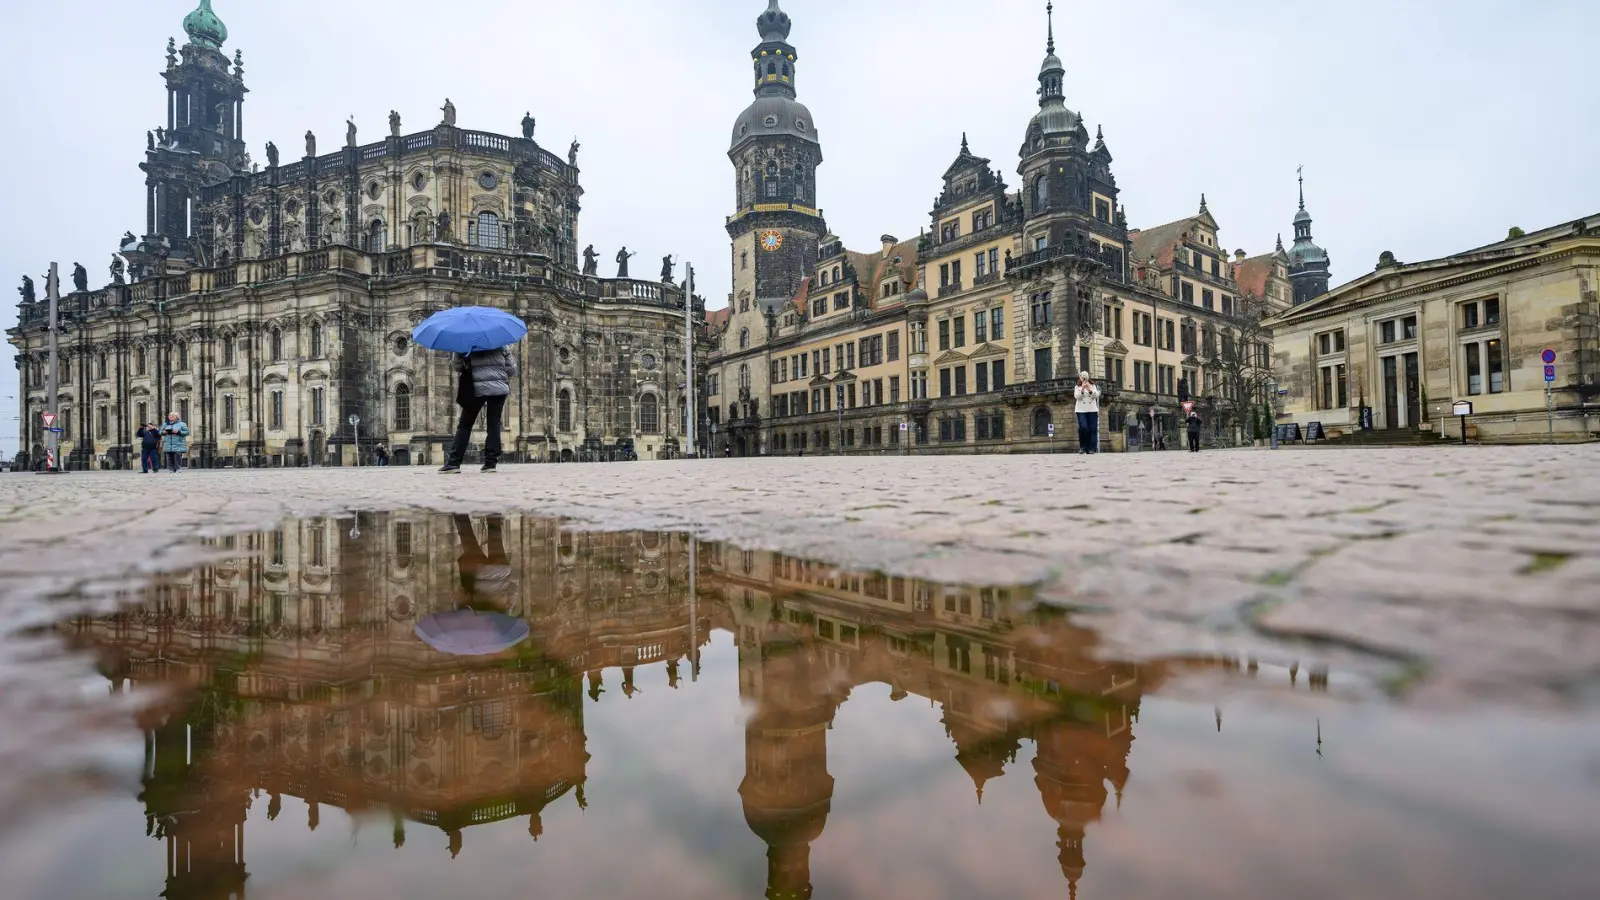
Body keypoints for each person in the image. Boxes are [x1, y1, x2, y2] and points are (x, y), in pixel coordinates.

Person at [440, 345, 516, 474]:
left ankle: (454, 463)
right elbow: (512, 369)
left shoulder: (466, 343)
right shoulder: (501, 343)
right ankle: (490, 463)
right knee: (494, 424)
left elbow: (457, 367)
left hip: (475, 387)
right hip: (499, 388)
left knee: (465, 425)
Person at [1073, 371, 1101, 454]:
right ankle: (1083, 447)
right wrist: (1082, 388)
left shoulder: (1093, 386)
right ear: (1080, 378)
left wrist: (1089, 389)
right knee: (1084, 428)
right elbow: (1077, 397)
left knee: (1093, 429)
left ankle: (1092, 448)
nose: (1084, 378)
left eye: (1085, 377)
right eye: (1082, 377)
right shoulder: (1077, 387)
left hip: (1092, 409)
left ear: (1088, 378)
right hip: (1081, 410)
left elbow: (1096, 396)